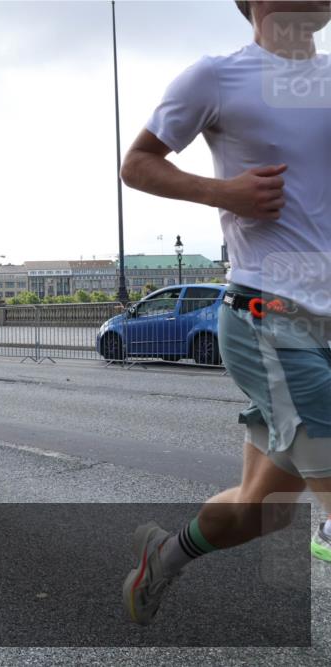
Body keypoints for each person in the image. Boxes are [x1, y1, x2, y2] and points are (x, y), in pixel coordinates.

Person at [119, 0, 331, 625]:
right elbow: (137, 163)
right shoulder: (216, 76)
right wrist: (224, 193)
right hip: (268, 314)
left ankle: (166, 554)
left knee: (263, 510)